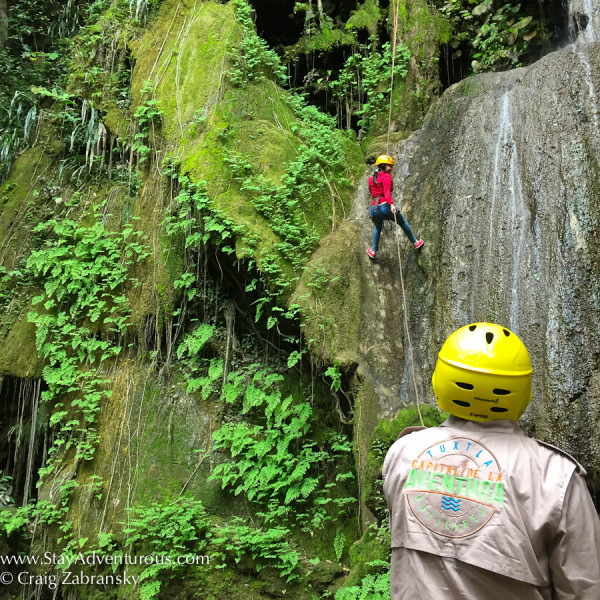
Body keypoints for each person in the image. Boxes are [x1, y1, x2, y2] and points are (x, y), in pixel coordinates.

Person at [382, 322, 600, 599]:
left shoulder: (403, 453)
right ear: (522, 391)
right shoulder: (555, 475)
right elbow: (586, 587)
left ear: (440, 380)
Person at [367, 154, 423, 259]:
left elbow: (373, 192)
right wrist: (391, 204)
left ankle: (373, 251)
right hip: (385, 206)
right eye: (390, 166)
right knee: (402, 222)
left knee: (377, 228)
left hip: (374, 208)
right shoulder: (386, 176)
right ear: (383, 165)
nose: (391, 168)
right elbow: (387, 192)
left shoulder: (371, 178)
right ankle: (415, 242)